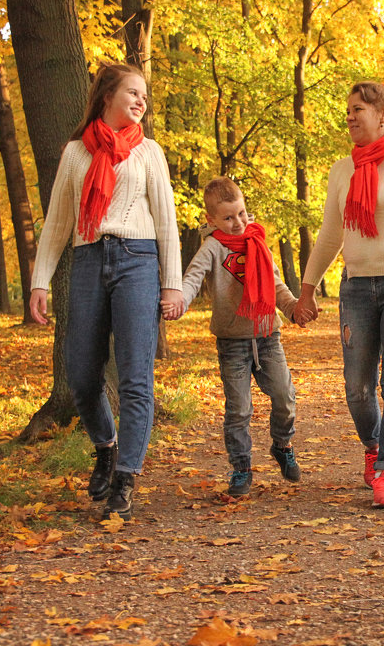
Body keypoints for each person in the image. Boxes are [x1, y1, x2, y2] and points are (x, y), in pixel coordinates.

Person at [29, 63, 182, 521]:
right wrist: (40, 280)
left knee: (136, 377)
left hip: (138, 262)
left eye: (144, 96)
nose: (141, 101)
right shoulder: (76, 152)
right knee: (81, 375)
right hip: (89, 259)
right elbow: (57, 222)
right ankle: (106, 447)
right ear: (107, 97)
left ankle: (126, 478)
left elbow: (167, 221)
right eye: (133, 93)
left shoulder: (149, 152)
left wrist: (172, 284)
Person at [292, 81, 384, 509]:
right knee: (357, 388)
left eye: (359, 109)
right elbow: (330, 234)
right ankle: (374, 446)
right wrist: (307, 289)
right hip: (356, 285)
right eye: (348, 111)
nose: (351, 117)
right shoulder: (343, 170)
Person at [171, 177, 301, 497]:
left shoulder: (258, 241)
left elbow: (276, 285)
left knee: (285, 396)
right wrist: (181, 301)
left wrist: (293, 309)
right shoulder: (212, 248)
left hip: (267, 335)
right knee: (239, 409)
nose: (238, 222)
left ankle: (281, 445)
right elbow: (192, 278)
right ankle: (241, 468)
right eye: (228, 218)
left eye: (241, 213)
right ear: (211, 219)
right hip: (232, 342)